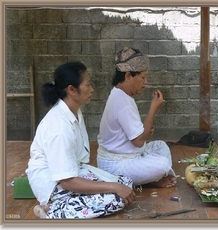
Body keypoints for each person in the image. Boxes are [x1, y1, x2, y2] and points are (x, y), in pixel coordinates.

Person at [25, 61, 136, 219]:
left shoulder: (73, 111)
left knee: (125, 182)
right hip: (54, 183)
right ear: (71, 90)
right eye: (88, 85)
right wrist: (112, 187)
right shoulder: (59, 128)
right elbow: (67, 182)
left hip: (73, 172)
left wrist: (115, 185)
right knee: (117, 198)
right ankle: (53, 209)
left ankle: (66, 204)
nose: (92, 90)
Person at [96, 45, 177, 188]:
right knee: (163, 165)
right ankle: (154, 178)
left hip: (128, 156)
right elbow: (139, 141)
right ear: (128, 76)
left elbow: (136, 133)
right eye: (142, 77)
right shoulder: (123, 102)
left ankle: (151, 178)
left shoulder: (120, 94)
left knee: (161, 146)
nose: (145, 82)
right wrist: (153, 107)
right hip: (116, 165)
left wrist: (145, 131)